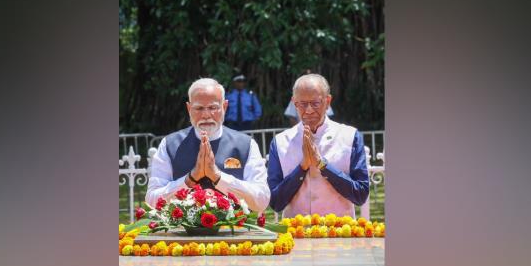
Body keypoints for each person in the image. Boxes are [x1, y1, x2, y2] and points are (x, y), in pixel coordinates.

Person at [146, 78, 270, 212]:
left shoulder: (246, 145)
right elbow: (152, 201)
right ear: (189, 108)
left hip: (235, 232)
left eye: (213, 108)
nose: (206, 115)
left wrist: (218, 177)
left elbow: (261, 200)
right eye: (199, 108)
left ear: (224, 107)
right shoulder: (170, 145)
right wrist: (190, 179)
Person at [267, 74, 370, 218]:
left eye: (315, 103)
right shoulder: (280, 142)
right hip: (296, 234)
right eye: (302, 104)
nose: (308, 110)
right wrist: (302, 168)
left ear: (327, 101)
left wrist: (322, 165)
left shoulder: (349, 136)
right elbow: (275, 202)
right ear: (294, 103)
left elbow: (360, 195)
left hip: (340, 233)